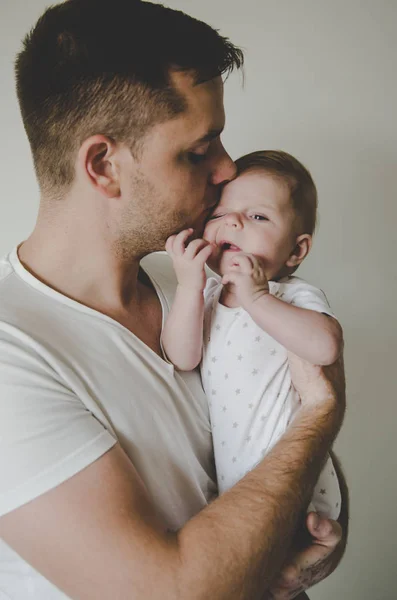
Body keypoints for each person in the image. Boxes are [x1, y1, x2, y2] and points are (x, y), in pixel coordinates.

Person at [0, 1, 346, 599]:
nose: (228, 168)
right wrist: (322, 415)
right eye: (198, 149)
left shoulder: (197, 278)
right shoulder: (13, 354)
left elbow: (274, 456)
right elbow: (176, 592)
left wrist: (313, 540)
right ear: (104, 165)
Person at [162, 150, 343, 519]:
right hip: (235, 473)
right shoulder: (208, 297)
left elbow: (326, 347)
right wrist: (188, 286)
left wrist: (257, 297)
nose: (232, 223)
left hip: (292, 467)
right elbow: (182, 356)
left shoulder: (290, 295)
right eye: (217, 215)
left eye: (257, 216)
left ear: (296, 249)